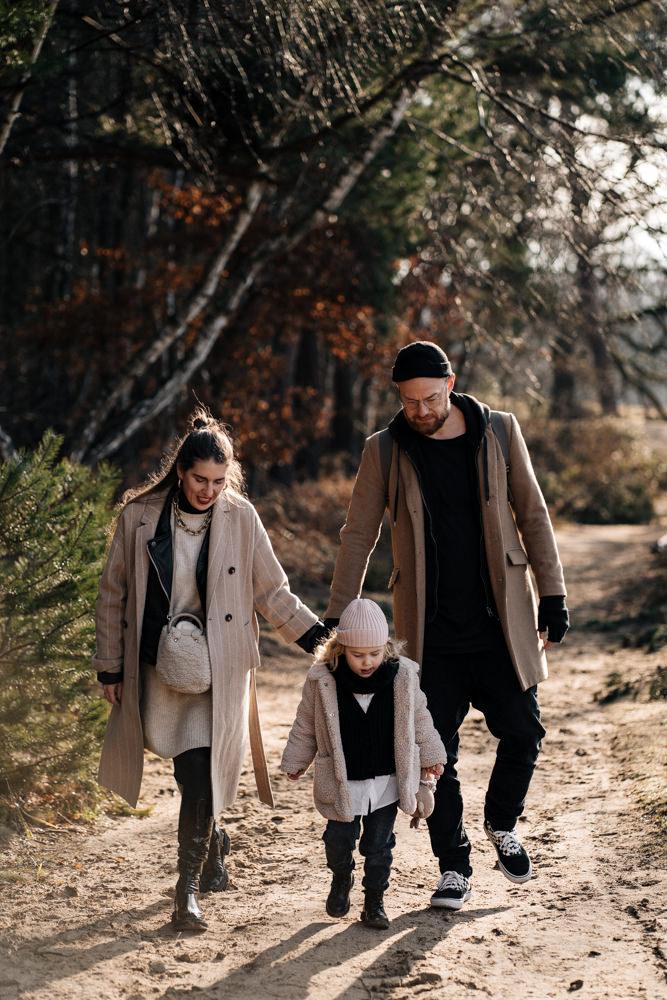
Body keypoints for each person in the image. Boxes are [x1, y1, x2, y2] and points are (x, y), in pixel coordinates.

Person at [323, 341, 569, 910]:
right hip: (428, 633)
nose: (421, 411)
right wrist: (339, 614)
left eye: (431, 398)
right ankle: (453, 865)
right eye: (409, 402)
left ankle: (503, 822)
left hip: (499, 624)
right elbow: (358, 534)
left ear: (451, 382)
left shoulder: (500, 432)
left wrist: (553, 594)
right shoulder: (384, 451)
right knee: (436, 756)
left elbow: (532, 514)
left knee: (524, 732)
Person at [94, 406, 324, 932]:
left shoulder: (241, 517)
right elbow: (113, 596)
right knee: (184, 770)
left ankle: (185, 891)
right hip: (159, 667)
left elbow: (273, 592)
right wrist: (110, 668)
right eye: (200, 479)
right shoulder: (138, 517)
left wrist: (325, 644)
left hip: (221, 667)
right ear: (180, 471)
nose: (209, 490)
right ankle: (214, 832)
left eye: (220, 481)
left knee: (200, 775)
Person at [281, 598, 446, 930]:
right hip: (342, 779)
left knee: (379, 846)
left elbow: (420, 717)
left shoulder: (402, 676)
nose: (367, 661)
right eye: (358, 655)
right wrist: (297, 760)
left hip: (387, 780)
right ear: (340, 648)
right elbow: (306, 724)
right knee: (338, 841)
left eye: (374, 653)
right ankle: (342, 876)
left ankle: (374, 903)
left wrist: (432, 757)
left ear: (385, 646)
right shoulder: (322, 680)